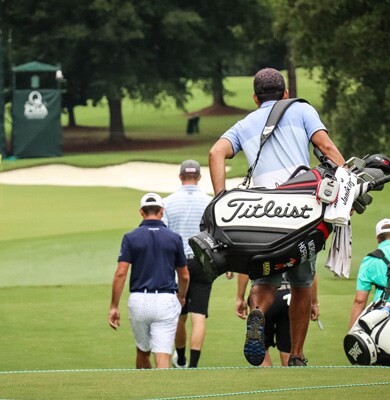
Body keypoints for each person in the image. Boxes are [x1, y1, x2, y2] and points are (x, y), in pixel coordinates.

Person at [208, 67, 344, 366]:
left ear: (255, 98)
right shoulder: (301, 110)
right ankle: (295, 355)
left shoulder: (244, 124)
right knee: (301, 284)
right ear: (285, 94)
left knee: (265, 280)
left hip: (262, 217)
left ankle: (257, 312)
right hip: (300, 212)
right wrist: (347, 181)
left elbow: (216, 152)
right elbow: (326, 146)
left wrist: (220, 200)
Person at [108, 193, 190, 369]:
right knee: (163, 356)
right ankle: (162, 393)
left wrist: (114, 306)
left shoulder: (130, 237)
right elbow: (184, 275)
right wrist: (181, 296)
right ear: (161, 211)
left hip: (139, 300)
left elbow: (121, 273)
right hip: (165, 300)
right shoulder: (174, 238)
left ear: (141, 212)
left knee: (142, 350)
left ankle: (143, 391)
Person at [162, 159, 225, 368]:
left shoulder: (167, 202)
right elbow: (217, 235)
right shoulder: (209, 203)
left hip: (177, 266)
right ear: (198, 177)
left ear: (180, 177)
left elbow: (163, 238)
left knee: (179, 314)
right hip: (203, 263)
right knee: (199, 315)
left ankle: (180, 359)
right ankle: (194, 365)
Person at [235, 273, 319, 366]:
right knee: (289, 350)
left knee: (261, 349)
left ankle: (267, 377)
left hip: (262, 295)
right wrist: (314, 303)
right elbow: (310, 273)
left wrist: (240, 298)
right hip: (291, 297)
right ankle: (295, 361)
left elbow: (244, 271)